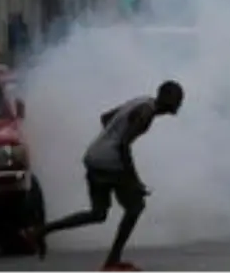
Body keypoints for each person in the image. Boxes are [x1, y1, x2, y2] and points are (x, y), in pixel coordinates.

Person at [29, 81, 185, 272]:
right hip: (110, 161)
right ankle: (112, 260)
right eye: (178, 100)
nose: (178, 105)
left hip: (94, 157)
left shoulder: (140, 101)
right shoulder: (147, 113)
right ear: (169, 100)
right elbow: (123, 146)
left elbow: (105, 118)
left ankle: (40, 231)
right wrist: (134, 181)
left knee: (98, 213)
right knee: (136, 207)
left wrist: (109, 138)